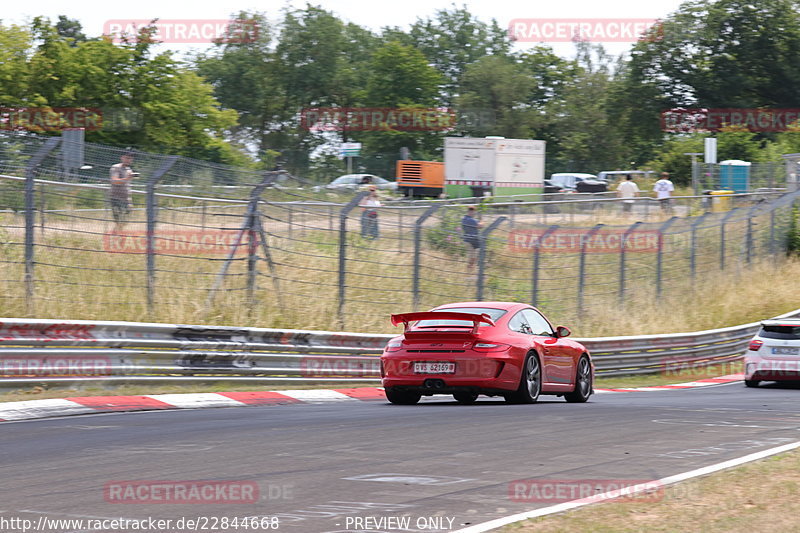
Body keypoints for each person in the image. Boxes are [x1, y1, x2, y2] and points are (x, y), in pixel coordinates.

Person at [109, 151, 136, 232]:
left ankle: (115, 234)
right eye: (127, 158)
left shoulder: (128, 169)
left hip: (126, 199)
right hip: (116, 198)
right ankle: (116, 236)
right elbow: (114, 181)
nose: (129, 160)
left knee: (125, 220)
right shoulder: (116, 167)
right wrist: (127, 178)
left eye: (130, 159)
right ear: (122, 158)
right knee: (119, 221)